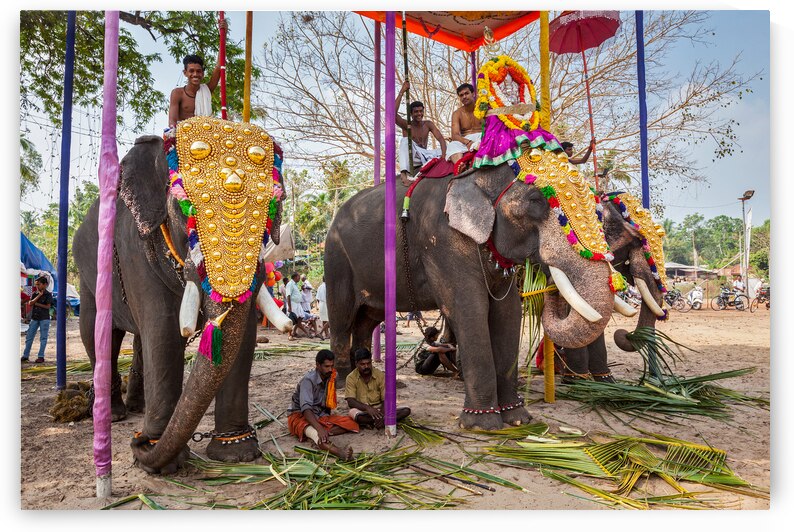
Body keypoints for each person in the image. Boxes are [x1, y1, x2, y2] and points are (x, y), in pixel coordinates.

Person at [287, 349, 358, 459]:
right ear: (317, 365)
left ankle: (324, 431)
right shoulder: (308, 380)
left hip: (320, 415)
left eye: (332, 366)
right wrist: (319, 428)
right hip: (299, 416)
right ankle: (340, 453)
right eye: (326, 366)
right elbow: (306, 409)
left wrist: (323, 423)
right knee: (317, 435)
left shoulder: (333, 376)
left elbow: (327, 403)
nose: (330, 369)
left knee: (352, 424)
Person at [167, 20, 227, 128]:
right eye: (191, 71)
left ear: (203, 74)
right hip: (184, 138)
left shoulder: (206, 89)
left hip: (206, 136)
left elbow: (219, 67)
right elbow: (172, 122)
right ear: (185, 73)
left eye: (198, 71)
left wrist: (224, 34)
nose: (195, 74)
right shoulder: (177, 93)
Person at [395, 81, 447, 186]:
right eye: (416, 112)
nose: (419, 114)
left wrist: (444, 154)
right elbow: (392, 114)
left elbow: (441, 139)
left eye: (420, 111)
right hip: (414, 157)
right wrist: (402, 91)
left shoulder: (428, 124)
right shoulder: (407, 124)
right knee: (405, 141)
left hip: (426, 155)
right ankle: (404, 175)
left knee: (449, 147)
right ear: (411, 113)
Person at [345, 348, 411, 429]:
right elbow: (350, 401)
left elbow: (386, 399)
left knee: (406, 410)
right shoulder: (351, 377)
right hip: (363, 411)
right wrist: (367, 408)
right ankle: (384, 421)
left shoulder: (380, 375)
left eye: (368, 363)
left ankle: (375, 422)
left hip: (381, 409)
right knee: (355, 415)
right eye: (362, 364)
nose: (366, 366)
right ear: (356, 364)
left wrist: (382, 415)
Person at [446, 83, 484, 164]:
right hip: (465, 140)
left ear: (473, 94)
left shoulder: (483, 108)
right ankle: (460, 165)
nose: (464, 97)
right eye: (461, 95)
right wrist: (467, 142)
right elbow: (455, 135)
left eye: (466, 93)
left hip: (482, 137)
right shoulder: (457, 113)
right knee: (452, 145)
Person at [21, 276, 53, 363]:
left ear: (45, 285)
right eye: (36, 284)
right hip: (34, 318)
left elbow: (48, 307)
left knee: (43, 338)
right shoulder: (35, 293)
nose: (37, 286)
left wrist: (37, 304)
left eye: (39, 284)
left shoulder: (48, 294)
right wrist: (39, 296)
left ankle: (41, 356)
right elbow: (30, 303)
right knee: (29, 337)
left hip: (44, 318)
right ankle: (25, 355)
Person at [286, 273, 313, 340]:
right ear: (295, 277)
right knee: (291, 319)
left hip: (298, 304)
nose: (299, 278)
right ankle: (290, 335)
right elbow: (288, 296)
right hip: (293, 304)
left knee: (300, 318)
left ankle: (294, 332)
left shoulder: (295, 284)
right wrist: (289, 306)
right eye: (298, 277)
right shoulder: (290, 284)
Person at [315, 276, 329, 341]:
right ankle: (321, 332)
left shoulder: (320, 287)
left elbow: (317, 298)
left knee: (324, 320)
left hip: (321, 303)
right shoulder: (327, 286)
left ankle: (327, 334)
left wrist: (319, 305)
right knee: (329, 320)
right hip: (326, 304)